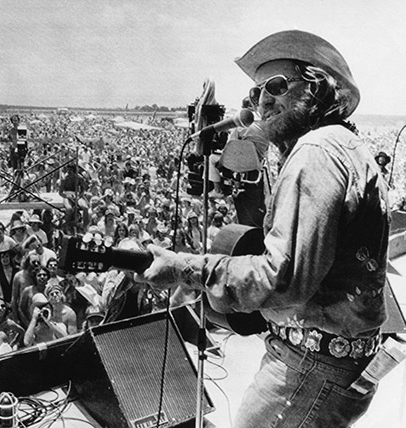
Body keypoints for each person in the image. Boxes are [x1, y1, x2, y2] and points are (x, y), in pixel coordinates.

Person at [135, 30, 390, 428]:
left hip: (310, 367)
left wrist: (185, 268)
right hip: (338, 361)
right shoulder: (343, 145)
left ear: (317, 88)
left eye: (275, 86)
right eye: (255, 94)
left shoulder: (316, 153)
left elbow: (281, 277)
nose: (262, 101)